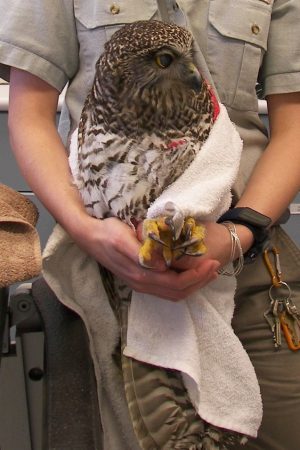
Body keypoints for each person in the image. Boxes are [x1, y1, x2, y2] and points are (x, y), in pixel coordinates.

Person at [0, 0, 299, 448]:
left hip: (245, 249)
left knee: (273, 431)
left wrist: (236, 234)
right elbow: (31, 114)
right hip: (108, 253)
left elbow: (294, 125)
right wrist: (89, 232)